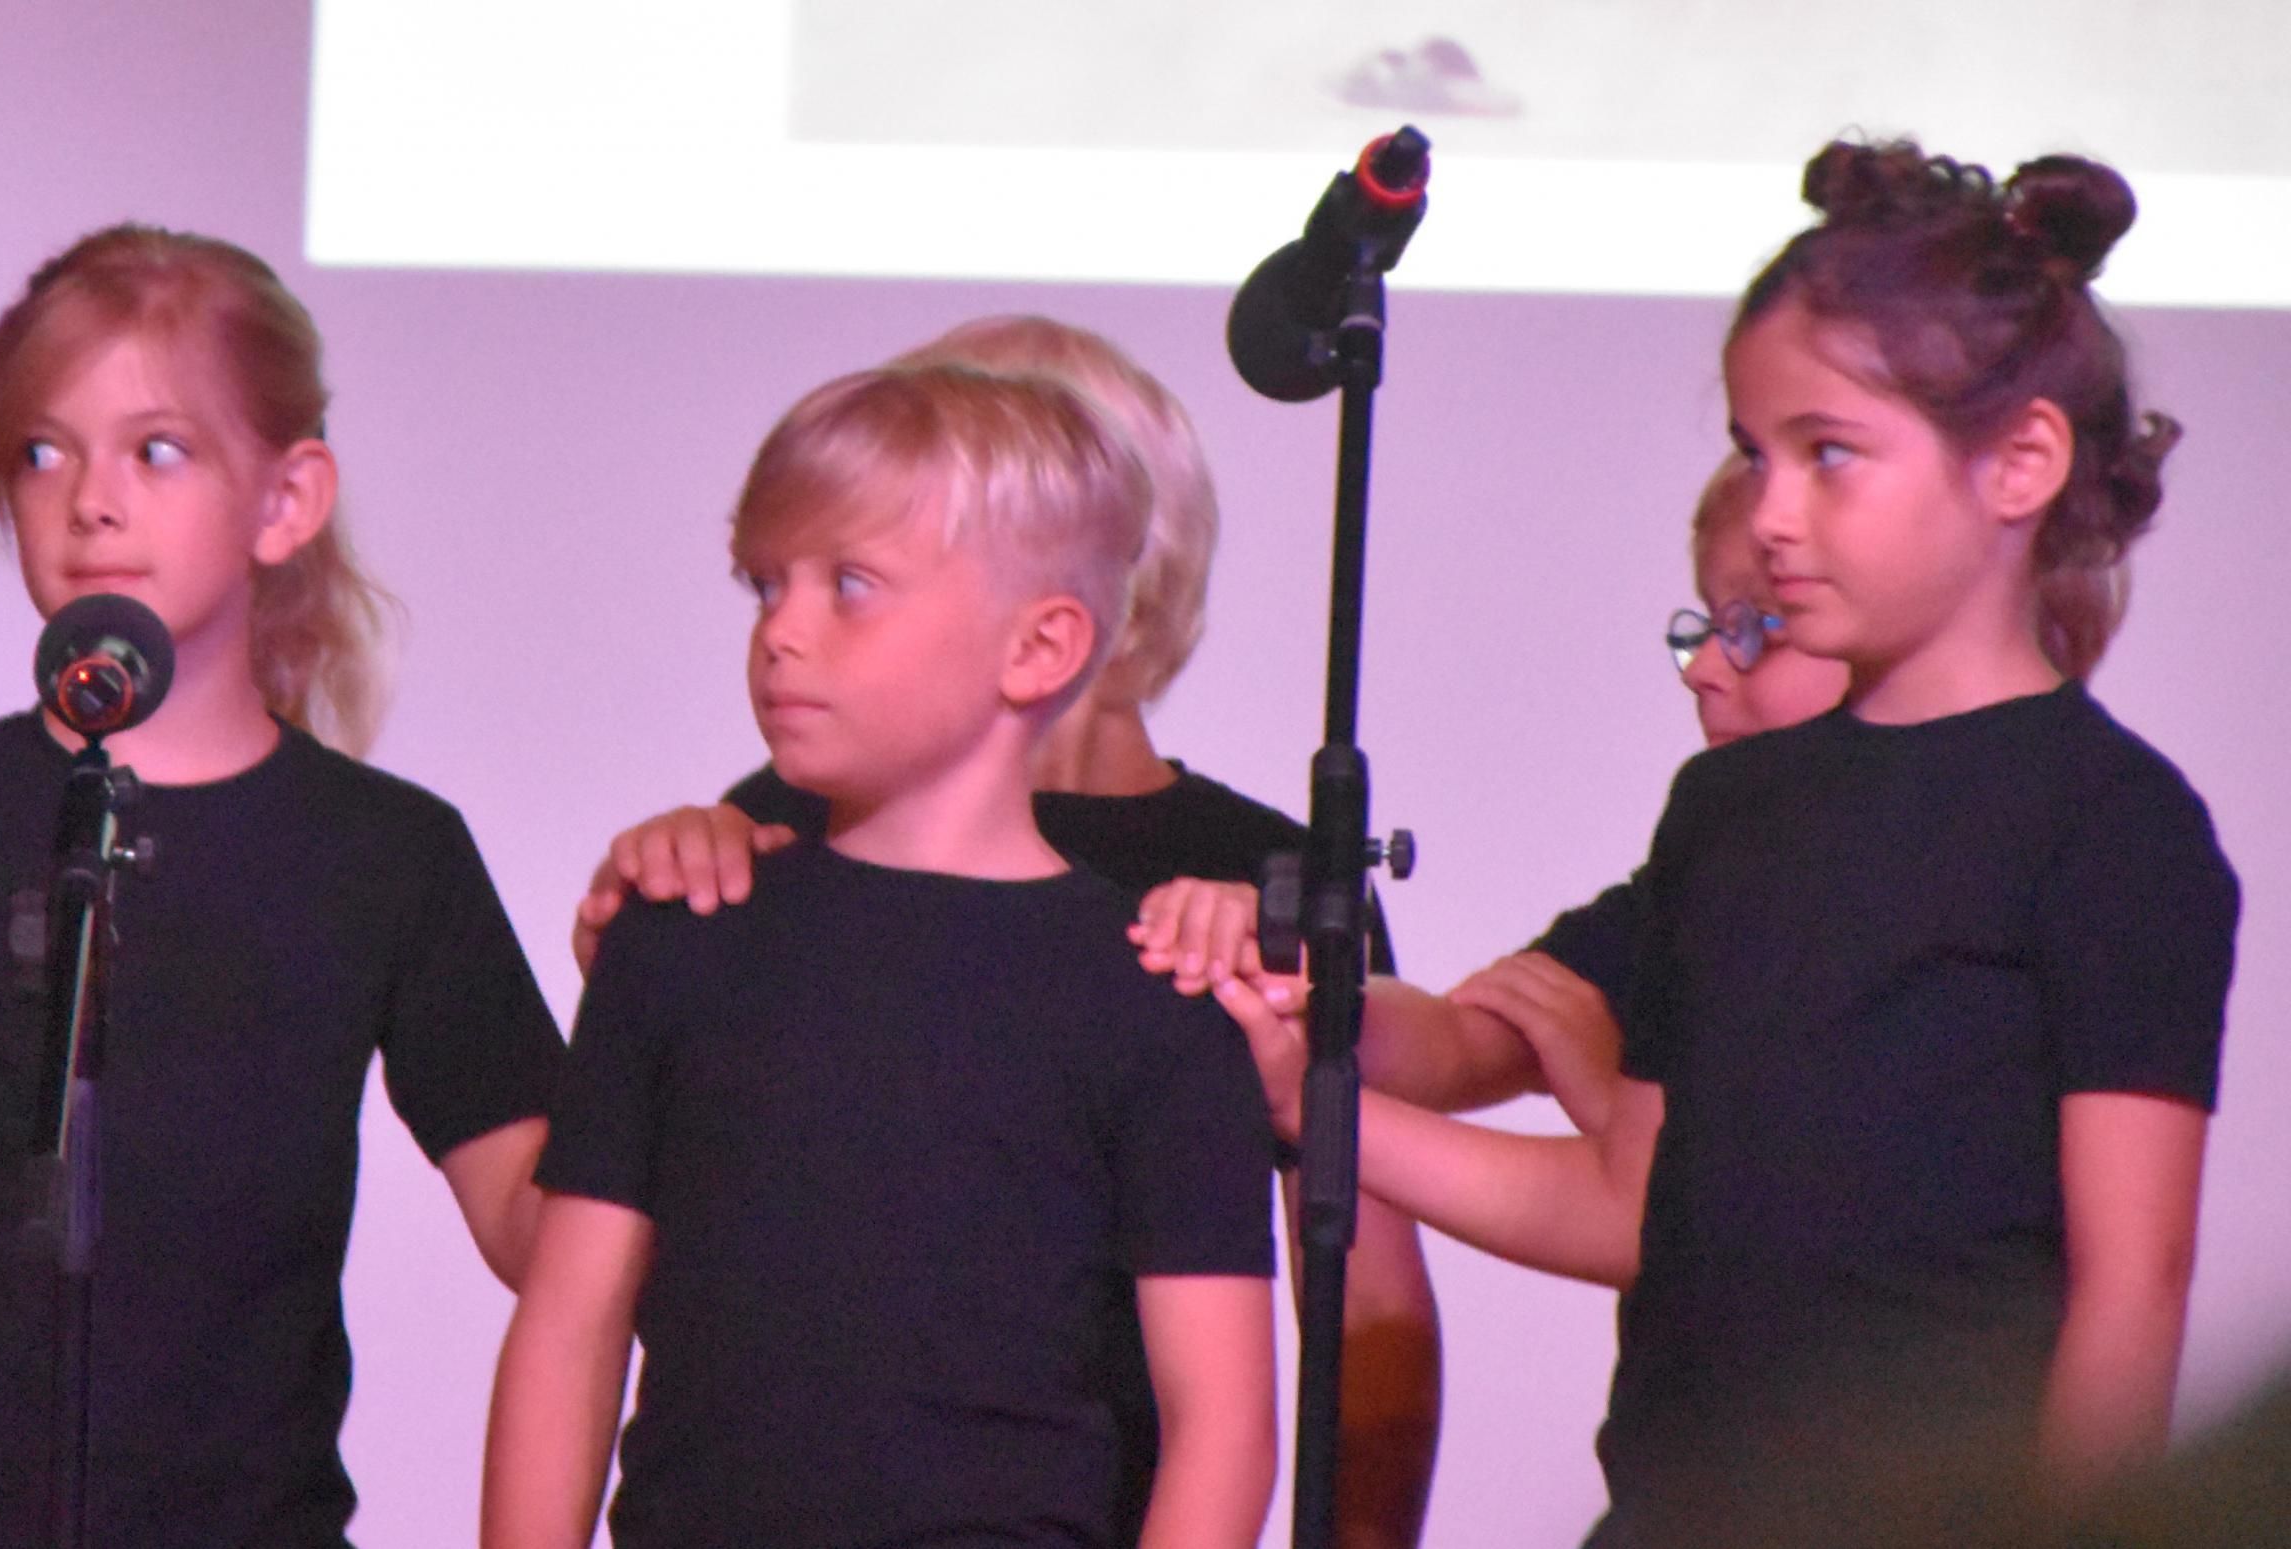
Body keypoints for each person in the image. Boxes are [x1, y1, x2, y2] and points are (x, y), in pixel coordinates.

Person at [1193, 141, 2231, 1546]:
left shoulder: (2111, 826)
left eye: (1829, 454)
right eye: (1756, 453)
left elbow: (2131, 1292)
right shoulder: (1731, 812)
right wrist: (1305, 1076)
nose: (1774, 514)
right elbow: (1648, 1206)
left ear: (2022, 463)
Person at [0, 225, 563, 1549]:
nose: (91, 501)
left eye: (158, 451)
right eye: (42, 453)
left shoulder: (385, 854)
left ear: (286, 500)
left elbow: (538, 1229)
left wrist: (671, 1010)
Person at [567, 315, 1436, 1546]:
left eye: (854, 574)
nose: (787, 629)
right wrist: (658, 885)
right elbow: (630, 1244)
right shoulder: (767, 842)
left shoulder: (1250, 896)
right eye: (773, 580)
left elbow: (1359, 1311)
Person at [1133, 455, 1858, 1136]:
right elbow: (1462, 1040)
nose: (1701, 669)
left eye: (1751, 627)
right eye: (1708, 625)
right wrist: (1307, 983)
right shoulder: (1696, 877)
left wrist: (1616, 1113)